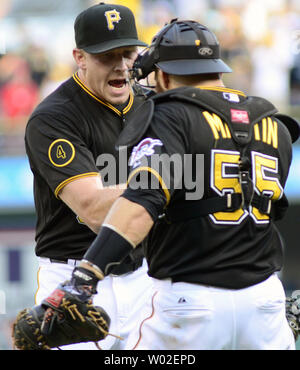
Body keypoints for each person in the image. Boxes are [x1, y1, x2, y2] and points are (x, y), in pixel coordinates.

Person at [41, 19, 300, 350]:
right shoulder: (274, 124)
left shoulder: (170, 115)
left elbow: (140, 204)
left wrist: (85, 278)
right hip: (265, 301)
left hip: (190, 303)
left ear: (163, 74)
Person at [24, 2, 154, 350]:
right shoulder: (54, 117)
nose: (121, 65)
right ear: (79, 57)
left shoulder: (152, 104)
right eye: (107, 55)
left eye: (128, 53)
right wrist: (173, 187)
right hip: (74, 280)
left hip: (145, 277)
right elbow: (95, 210)